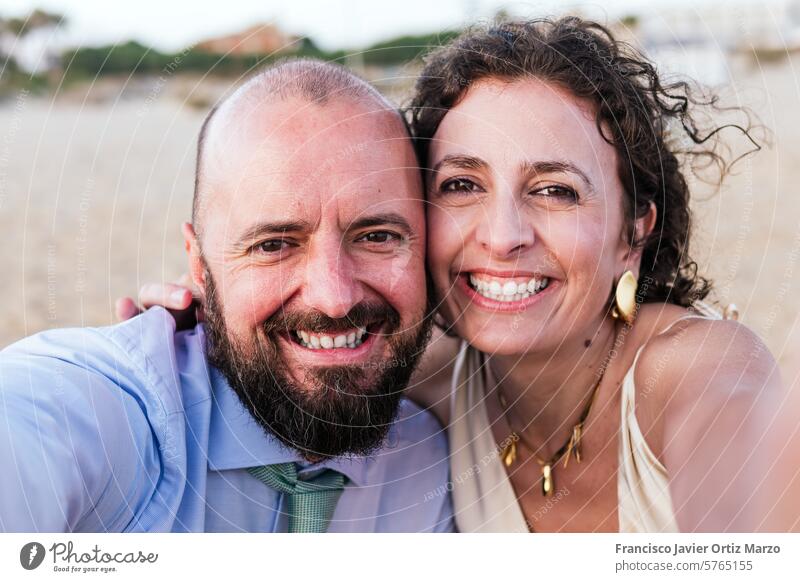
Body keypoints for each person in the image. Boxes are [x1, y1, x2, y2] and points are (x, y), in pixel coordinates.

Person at [129, 17, 798, 532]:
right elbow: (296, 369)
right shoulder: (427, 376)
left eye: (557, 191)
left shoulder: (689, 370)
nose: (503, 236)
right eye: (461, 185)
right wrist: (203, 324)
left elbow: (745, 496)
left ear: (634, 231)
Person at [0, 59, 453, 533]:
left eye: (377, 236)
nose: (334, 298)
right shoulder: (95, 410)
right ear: (199, 264)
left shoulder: (429, 459)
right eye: (274, 245)